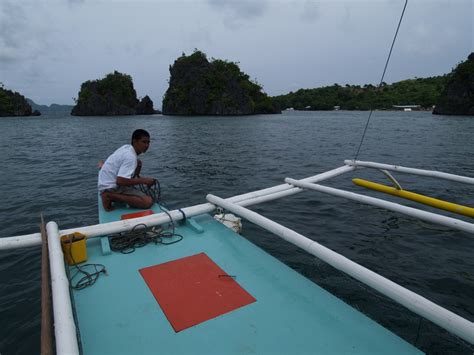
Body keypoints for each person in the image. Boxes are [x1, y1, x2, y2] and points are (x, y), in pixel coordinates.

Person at [98, 129, 156, 211]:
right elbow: (120, 181)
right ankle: (109, 196)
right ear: (135, 141)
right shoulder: (130, 157)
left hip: (105, 183)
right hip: (110, 187)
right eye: (144, 142)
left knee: (138, 162)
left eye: (148, 142)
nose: (147, 145)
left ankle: (117, 193)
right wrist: (144, 180)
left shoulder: (127, 147)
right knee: (148, 202)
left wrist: (102, 166)